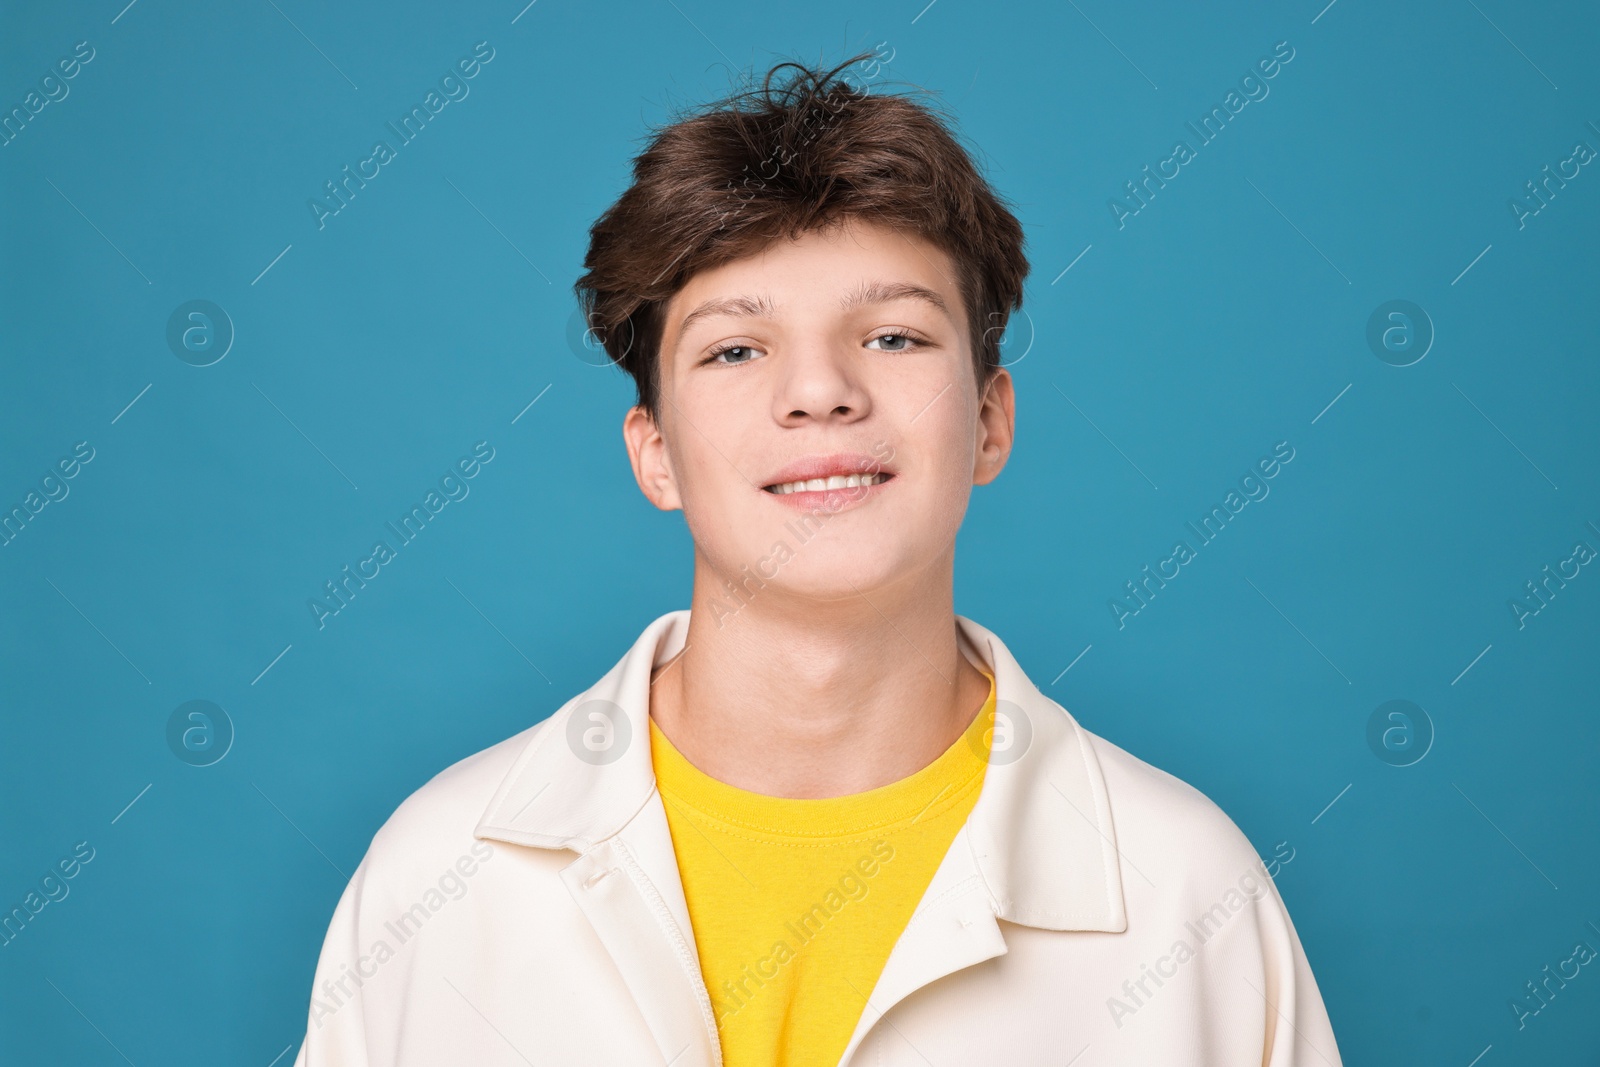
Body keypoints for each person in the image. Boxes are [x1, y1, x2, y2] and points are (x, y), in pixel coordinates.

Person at [292, 54, 1343, 1066]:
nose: (820, 391)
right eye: (734, 350)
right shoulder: (441, 872)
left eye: (893, 336)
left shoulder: (1185, 888)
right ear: (654, 452)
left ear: (987, 421)